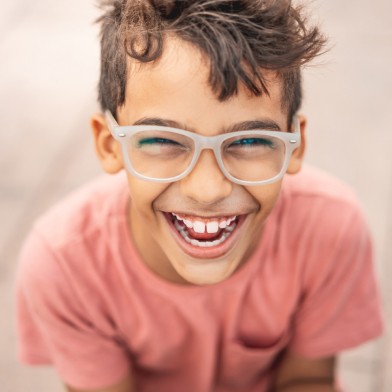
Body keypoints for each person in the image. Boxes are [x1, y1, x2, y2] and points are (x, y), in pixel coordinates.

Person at [15, 1, 384, 391]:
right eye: (161, 139)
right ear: (109, 145)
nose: (208, 190)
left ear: (295, 146)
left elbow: (307, 379)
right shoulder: (65, 264)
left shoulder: (329, 230)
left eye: (249, 140)